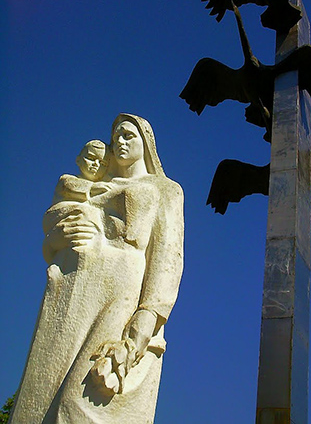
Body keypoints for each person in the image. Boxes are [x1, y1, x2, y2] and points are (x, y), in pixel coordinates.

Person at [10, 114, 184, 424]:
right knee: (40, 402)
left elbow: (168, 258)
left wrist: (147, 318)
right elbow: (56, 231)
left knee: (78, 407)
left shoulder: (164, 189)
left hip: (119, 299)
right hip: (68, 292)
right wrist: (55, 239)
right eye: (116, 135)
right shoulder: (94, 184)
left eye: (129, 135)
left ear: (145, 142)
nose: (120, 141)